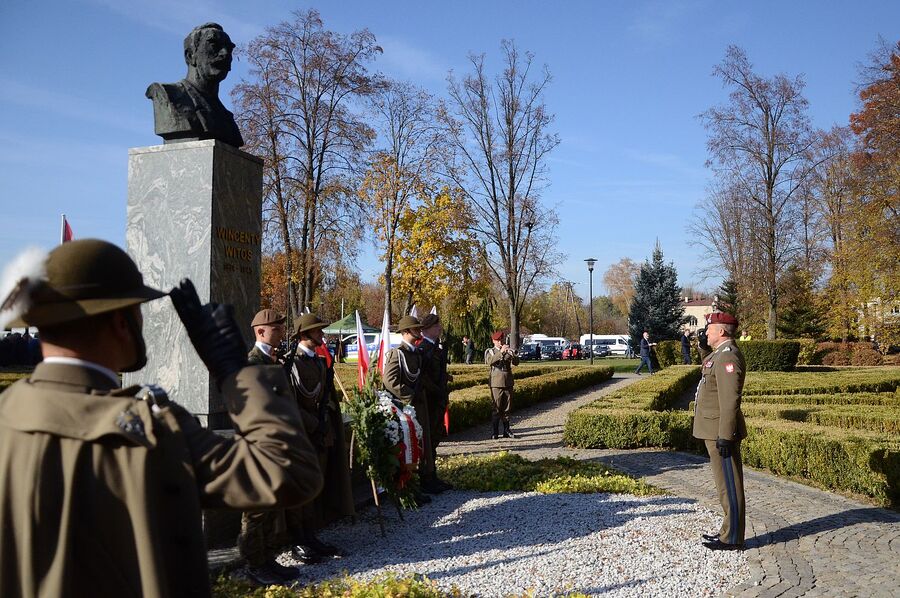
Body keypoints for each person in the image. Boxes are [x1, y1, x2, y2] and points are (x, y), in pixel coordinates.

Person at [0, 239, 322, 597]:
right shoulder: (152, 431)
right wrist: (234, 372)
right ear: (122, 321)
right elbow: (292, 473)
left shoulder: (6, 417)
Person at [284, 313, 354, 564]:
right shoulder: (290, 365)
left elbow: (325, 398)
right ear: (304, 335)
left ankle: (311, 535)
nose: (322, 335)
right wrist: (315, 424)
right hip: (303, 436)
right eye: (317, 332)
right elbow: (291, 403)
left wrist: (327, 423)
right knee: (301, 489)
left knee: (316, 486)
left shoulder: (319, 362)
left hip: (321, 435)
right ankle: (298, 540)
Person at [238, 308, 298, 584]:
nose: (282, 331)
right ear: (260, 331)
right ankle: (253, 565)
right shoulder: (251, 362)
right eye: (276, 328)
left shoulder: (272, 360)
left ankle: (266, 559)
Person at [694, 311, 747, 551]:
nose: (707, 332)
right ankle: (728, 531)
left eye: (710, 329)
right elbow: (709, 368)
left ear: (722, 332)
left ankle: (732, 536)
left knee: (729, 484)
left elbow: (729, 400)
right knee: (723, 484)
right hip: (713, 429)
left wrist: (726, 434)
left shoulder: (729, 357)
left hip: (719, 431)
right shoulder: (719, 354)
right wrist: (702, 345)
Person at [146, 23, 244, 147]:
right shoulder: (169, 96)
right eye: (214, 45)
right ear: (190, 56)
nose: (225, 53)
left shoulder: (227, 119)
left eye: (229, 49)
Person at [382, 315, 431, 504]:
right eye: (415, 329)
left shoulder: (416, 354)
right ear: (405, 332)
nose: (419, 332)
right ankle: (406, 489)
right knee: (407, 449)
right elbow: (390, 380)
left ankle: (416, 485)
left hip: (418, 406)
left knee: (418, 447)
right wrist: (409, 395)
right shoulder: (397, 354)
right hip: (405, 408)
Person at [418, 313, 454, 493]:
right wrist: (437, 389)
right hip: (430, 401)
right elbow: (423, 377)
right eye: (436, 326)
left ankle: (432, 475)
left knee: (436, 437)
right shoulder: (424, 349)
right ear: (426, 329)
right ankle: (426, 477)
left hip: (438, 399)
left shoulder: (435, 348)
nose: (439, 328)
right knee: (429, 439)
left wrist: (445, 378)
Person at [485, 331, 519, 439]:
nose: (500, 342)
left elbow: (516, 363)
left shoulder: (508, 351)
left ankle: (506, 430)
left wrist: (512, 355)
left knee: (507, 408)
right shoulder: (490, 351)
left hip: (508, 382)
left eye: (501, 340)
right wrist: (501, 353)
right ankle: (495, 432)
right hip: (496, 383)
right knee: (496, 407)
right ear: (493, 341)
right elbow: (489, 361)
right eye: (498, 340)